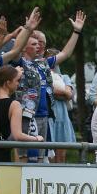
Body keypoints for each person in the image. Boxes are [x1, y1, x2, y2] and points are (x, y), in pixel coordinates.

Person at [7, 10, 86, 162]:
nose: (39, 47)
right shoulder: (19, 62)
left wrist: (76, 31)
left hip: (44, 116)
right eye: (34, 44)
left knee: (40, 158)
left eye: (39, 44)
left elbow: (66, 53)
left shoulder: (43, 63)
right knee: (24, 158)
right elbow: (15, 49)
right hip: (26, 116)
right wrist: (28, 29)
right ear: (24, 47)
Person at [0, 65, 44, 163]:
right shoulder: (14, 105)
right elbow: (17, 135)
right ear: (8, 83)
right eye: (17, 80)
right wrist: (36, 138)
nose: (19, 84)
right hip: (1, 155)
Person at [46, 49, 76, 163]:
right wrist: (62, 92)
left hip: (62, 118)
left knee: (61, 156)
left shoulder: (65, 77)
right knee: (50, 155)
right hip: (50, 117)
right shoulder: (44, 74)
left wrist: (59, 92)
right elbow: (53, 90)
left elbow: (69, 94)